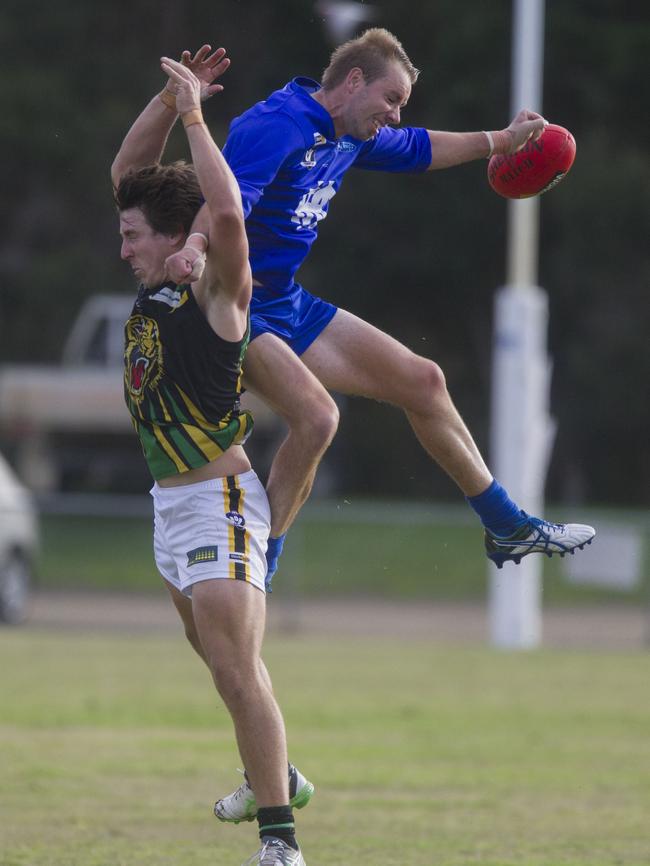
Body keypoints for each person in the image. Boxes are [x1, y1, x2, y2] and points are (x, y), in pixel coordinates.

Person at [166, 28, 595, 822]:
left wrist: (507, 139)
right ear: (352, 80)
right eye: (390, 99)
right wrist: (191, 252)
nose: (395, 115)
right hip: (232, 302)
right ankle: (266, 563)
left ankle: (503, 525)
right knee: (316, 417)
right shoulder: (279, 124)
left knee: (424, 382)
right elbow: (221, 202)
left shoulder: (349, 134)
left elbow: (427, 148)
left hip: (287, 300)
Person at [112, 49, 309, 866]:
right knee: (228, 666)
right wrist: (166, 100)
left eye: (132, 236)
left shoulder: (215, 293)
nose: (121, 246)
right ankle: (279, 776)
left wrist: (198, 119)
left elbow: (226, 218)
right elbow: (129, 168)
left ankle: (279, 840)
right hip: (172, 507)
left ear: (170, 240)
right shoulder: (156, 278)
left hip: (219, 503)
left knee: (235, 674)